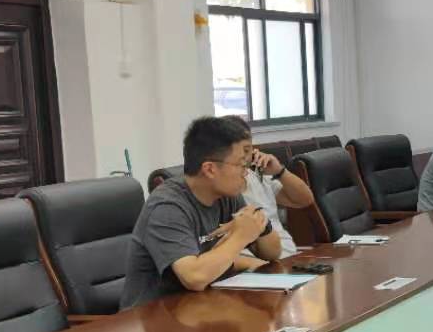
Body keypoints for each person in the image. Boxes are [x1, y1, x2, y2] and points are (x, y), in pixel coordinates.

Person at [121, 116, 282, 309]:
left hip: (201, 306)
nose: (246, 172)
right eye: (241, 165)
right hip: (152, 317)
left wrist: (260, 224)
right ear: (210, 169)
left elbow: (273, 253)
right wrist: (241, 236)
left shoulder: (226, 195)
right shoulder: (167, 207)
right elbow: (194, 277)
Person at [225, 117, 314, 259]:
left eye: (247, 150)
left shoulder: (258, 174)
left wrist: (279, 171)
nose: (244, 158)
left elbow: (305, 200)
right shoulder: (218, 191)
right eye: (239, 152)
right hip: (259, 265)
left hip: (289, 257)